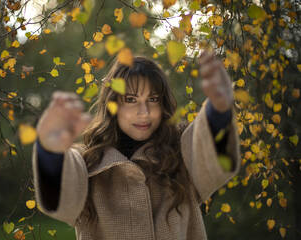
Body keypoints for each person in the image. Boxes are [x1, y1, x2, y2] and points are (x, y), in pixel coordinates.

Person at [32, 51, 240, 240]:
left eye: (153, 99)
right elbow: (63, 199)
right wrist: (50, 151)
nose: (144, 111)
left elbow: (212, 159)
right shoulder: (88, 161)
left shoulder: (181, 154)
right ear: (113, 105)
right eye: (131, 99)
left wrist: (219, 112)